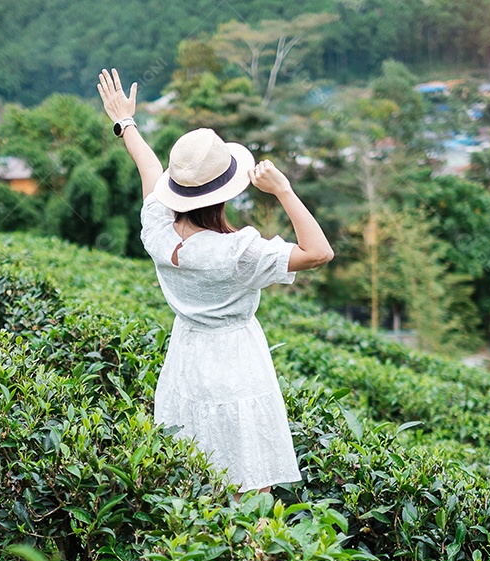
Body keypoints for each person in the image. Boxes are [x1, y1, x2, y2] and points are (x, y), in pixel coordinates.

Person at [97, 68, 334, 493]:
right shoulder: (236, 253)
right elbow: (319, 252)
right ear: (224, 193)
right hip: (238, 362)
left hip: (187, 357)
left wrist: (125, 123)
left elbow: (148, 167)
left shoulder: (157, 229)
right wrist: (283, 190)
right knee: (251, 478)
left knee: (198, 472)